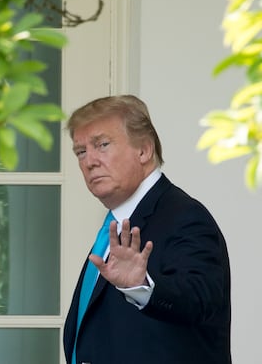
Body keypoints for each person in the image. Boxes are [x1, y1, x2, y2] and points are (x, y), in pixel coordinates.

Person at [63, 95, 231, 364]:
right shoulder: (114, 225)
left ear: (143, 150)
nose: (89, 161)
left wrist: (142, 287)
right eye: (81, 151)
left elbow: (200, 299)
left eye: (102, 145)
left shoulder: (185, 216)